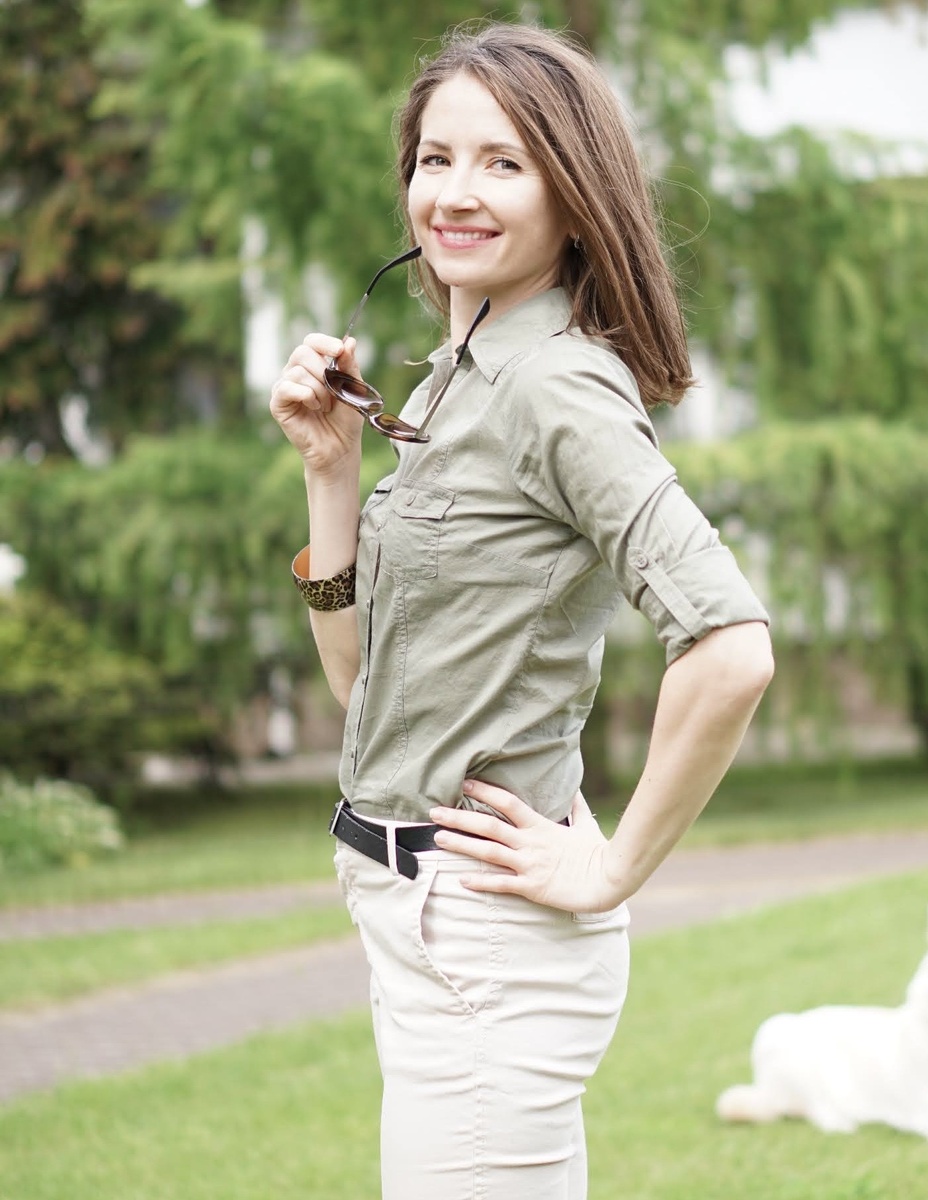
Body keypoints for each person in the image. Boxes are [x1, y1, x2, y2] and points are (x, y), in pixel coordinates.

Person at [269, 21, 773, 1200]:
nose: (454, 192)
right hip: (417, 918)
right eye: (433, 158)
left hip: (489, 941)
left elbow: (730, 646)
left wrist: (609, 874)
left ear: (574, 194)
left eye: (502, 162)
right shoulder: (453, 382)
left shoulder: (555, 388)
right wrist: (329, 471)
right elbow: (363, 690)